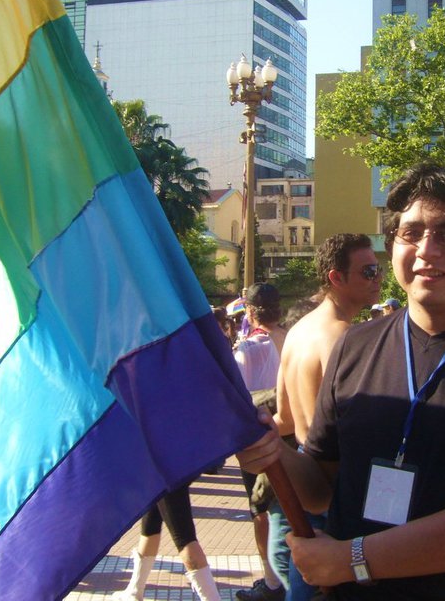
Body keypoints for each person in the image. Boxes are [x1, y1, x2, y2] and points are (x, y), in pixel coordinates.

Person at [238, 162, 445, 600]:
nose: (427, 250)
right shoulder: (354, 345)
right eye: (411, 234)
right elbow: (321, 489)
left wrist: (352, 559)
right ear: (392, 247)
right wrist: (272, 452)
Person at [270, 235, 382, 601]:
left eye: (378, 269)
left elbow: (285, 419)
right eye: (368, 272)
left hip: (303, 476)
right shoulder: (345, 337)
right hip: (337, 482)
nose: (378, 278)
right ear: (336, 277)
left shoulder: (297, 331)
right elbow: (360, 427)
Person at [234, 283, 287, 601]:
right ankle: (289, 574)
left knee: (260, 509)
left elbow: (238, 397)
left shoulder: (248, 348)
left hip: (259, 438)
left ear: (251, 312)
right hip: (291, 434)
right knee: (288, 505)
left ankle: (271, 581)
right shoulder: (292, 338)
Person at [111, 485, 221, 601]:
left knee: (184, 538)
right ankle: (135, 590)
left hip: (164, 477)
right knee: (151, 523)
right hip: (158, 478)